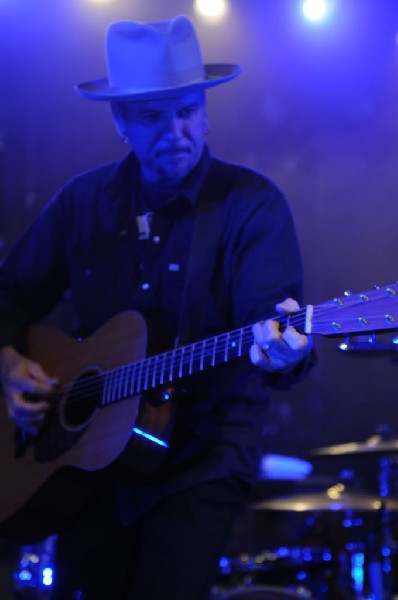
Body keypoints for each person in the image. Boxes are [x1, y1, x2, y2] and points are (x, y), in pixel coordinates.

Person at [0, 15, 315, 600]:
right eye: (152, 115)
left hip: (204, 455)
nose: (176, 130)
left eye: (188, 110)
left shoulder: (251, 204)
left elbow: (273, 321)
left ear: (205, 109)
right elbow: (8, 290)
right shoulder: (82, 202)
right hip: (88, 461)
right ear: (119, 121)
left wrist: (283, 352)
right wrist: (9, 363)